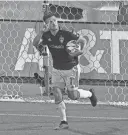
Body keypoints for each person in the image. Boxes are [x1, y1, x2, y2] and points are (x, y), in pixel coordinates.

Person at [33, 12, 97, 130]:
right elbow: (35, 43)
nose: (54, 23)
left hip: (71, 69)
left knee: (72, 95)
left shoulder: (66, 34)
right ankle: (64, 121)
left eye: (55, 20)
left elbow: (82, 40)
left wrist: (80, 50)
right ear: (46, 25)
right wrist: (41, 33)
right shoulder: (46, 35)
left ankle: (90, 94)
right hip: (57, 69)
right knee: (56, 92)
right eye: (50, 22)